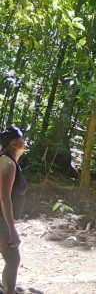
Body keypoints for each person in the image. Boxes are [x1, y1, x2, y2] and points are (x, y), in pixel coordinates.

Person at [0, 126, 27, 294]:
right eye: (22, 138)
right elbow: (4, 198)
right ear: (14, 143)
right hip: (1, 221)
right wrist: (12, 229)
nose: (25, 141)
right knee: (13, 260)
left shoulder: (10, 161)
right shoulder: (7, 163)